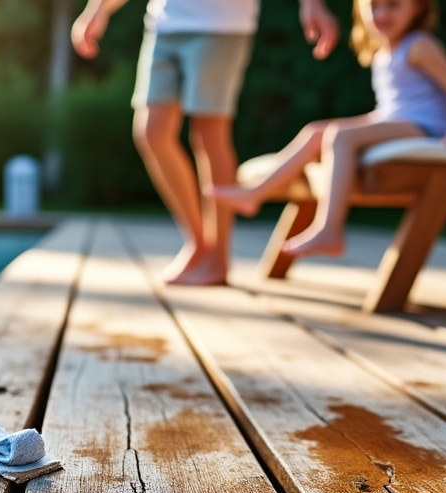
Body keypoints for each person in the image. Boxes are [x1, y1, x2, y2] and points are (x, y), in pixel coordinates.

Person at [71, 0, 341, 285]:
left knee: (208, 135)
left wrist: (312, 4)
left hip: (220, 26)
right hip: (164, 23)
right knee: (151, 133)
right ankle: (199, 244)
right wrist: (98, 9)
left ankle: (217, 258)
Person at [209, 0, 446, 258]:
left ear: (418, 6)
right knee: (317, 131)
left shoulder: (419, 46)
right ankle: (255, 194)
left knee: (340, 137)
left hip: (425, 126)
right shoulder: (384, 49)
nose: (381, 14)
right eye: (374, 6)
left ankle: (329, 229)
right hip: (398, 118)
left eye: (393, 5)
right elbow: (392, 106)